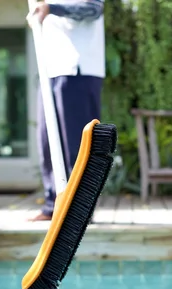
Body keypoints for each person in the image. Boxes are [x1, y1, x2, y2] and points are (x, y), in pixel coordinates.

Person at [27, 0, 105, 221]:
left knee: (77, 145)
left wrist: (51, 8)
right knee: (47, 142)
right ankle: (54, 205)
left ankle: (81, 210)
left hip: (79, 69)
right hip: (49, 70)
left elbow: (93, 9)